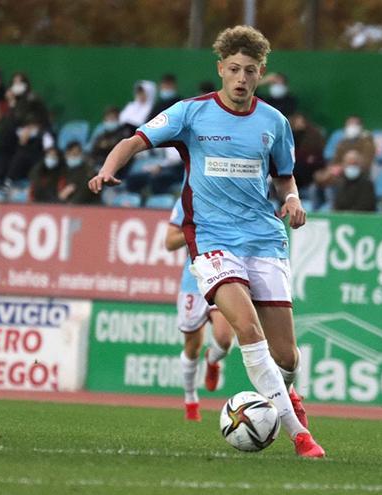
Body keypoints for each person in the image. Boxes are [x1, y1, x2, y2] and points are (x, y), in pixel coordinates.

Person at [88, 25, 324, 458]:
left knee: (287, 357)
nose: (241, 78)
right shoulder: (190, 113)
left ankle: (288, 393)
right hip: (213, 239)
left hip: (264, 239)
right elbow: (134, 141)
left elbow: (285, 177)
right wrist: (107, 169)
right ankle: (299, 436)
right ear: (220, 69)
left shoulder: (275, 122)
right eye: (233, 69)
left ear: (261, 73)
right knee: (245, 328)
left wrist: (292, 200)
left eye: (249, 71)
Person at [166, 200, 235, 421]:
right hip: (193, 281)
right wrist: (195, 231)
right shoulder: (186, 199)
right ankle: (190, 399)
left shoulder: (231, 196)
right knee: (192, 347)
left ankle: (213, 359)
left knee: (224, 339)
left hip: (223, 274)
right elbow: (170, 242)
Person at [289, 111, 326, 191]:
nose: (299, 124)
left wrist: (306, 158)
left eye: (301, 121)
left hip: (311, 164)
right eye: (296, 122)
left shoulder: (314, 135)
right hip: (296, 162)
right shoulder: (290, 135)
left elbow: (316, 153)